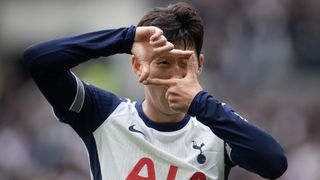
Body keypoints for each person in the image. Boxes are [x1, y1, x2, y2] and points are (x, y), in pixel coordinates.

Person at [23, 2, 287, 180]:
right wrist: (125, 39)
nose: (175, 77)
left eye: (184, 63)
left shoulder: (216, 128)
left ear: (201, 65)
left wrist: (201, 104)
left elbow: (274, 163)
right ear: (139, 67)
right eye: (163, 62)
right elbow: (39, 60)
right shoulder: (104, 115)